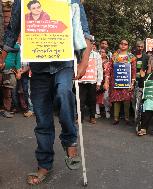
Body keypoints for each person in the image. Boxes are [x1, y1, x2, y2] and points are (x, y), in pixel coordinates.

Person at [0, 0, 92, 185]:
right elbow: (12, 32)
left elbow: (85, 33)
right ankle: (44, 165)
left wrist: (84, 62)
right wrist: (2, 58)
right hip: (39, 68)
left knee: (64, 93)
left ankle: (69, 141)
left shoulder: (71, 1)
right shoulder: (22, 1)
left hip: (63, 64)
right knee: (42, 119)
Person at [104, 39, 136, 125]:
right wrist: (106, 81)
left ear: (128, 46)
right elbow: (109, 69)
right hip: (116, 81)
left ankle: (127, 118)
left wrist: (132, 83)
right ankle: (116, 118)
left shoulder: (131, 57)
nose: (123, 45)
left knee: (127, 100)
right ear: (119, 45)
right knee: (116, 99)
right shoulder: (114, 56)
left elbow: (133, 71)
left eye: (125, 44)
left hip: (127, 81)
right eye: (121, 43)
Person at [79, 42, 103, 124]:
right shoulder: (79, 53)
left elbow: (99, 69)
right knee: (80, 100)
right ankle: (79, 117)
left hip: (92, 81)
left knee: (92, 100)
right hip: (81, 80)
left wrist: (99, 82)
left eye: (91, 44)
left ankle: (92, 117)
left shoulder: (96, 55)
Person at [96, 48, 111, 119]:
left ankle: (107, 111)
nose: (101, 53)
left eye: (103, 52)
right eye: (100, 52)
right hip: (97, 81)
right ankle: (97, 112)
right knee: (96, 97)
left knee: (106, 97)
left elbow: (109, 72)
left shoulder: (109, 62)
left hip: (106, 81)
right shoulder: (96, 60)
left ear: (106, 53)